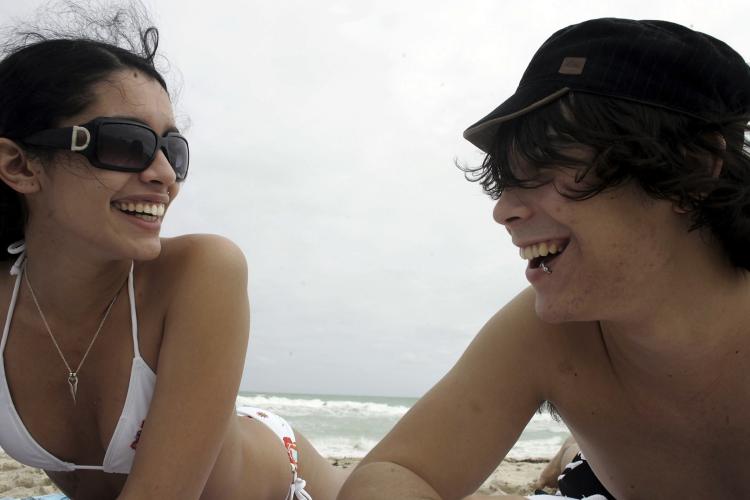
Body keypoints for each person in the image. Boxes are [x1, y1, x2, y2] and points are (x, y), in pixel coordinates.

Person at [337, 17, 750, 500]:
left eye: (547, 166)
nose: (503, 210)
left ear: (695, 170)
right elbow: (397, 472)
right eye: (506, 178)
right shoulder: (548, 336)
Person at [0, 7, 347, 500]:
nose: (164, 174)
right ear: (18, 165)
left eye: (173, 149)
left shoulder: (202, 270)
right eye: (127, 143)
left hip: (290, 482)